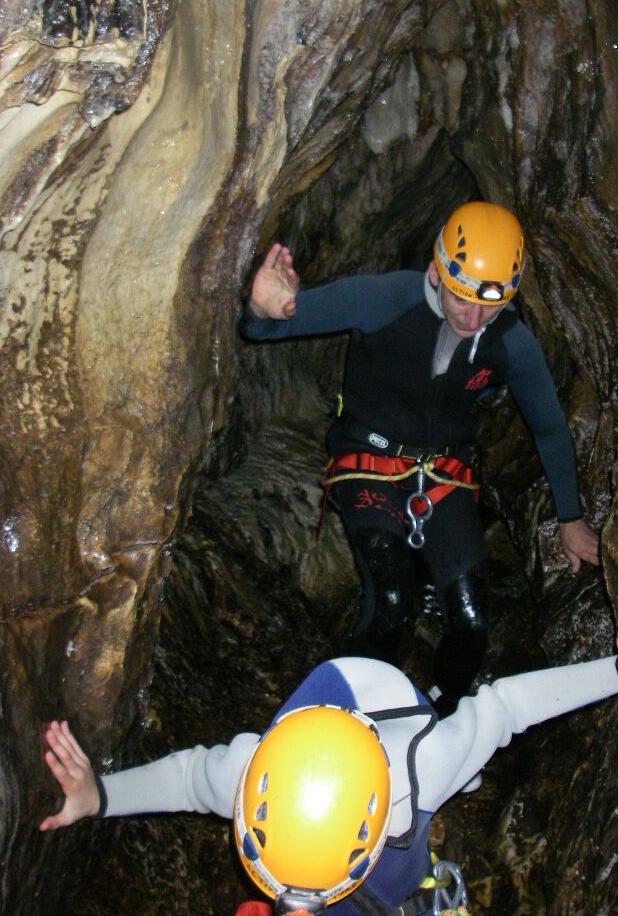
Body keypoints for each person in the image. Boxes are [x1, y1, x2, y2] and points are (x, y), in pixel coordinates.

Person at [40, 587, 618, 916]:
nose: (297, 910)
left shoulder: (421, 770)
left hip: (398, 907)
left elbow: (506, 707)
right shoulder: (254, 776)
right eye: (284, 892)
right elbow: (189, 777)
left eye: (308, 896)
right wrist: (100, 796)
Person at [240, 202, 599, 714]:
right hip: (366, 459)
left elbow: (549, 427)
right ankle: (328, 717)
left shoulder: (510, 343)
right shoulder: (383, 298)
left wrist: (571, 517)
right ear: (436, 271)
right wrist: (262, 309)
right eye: (462, 300)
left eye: (489, 308)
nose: (473, 319)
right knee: (391, 605)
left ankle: (441, 715)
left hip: (443, 474)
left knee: (472, 623)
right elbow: (265, 329)